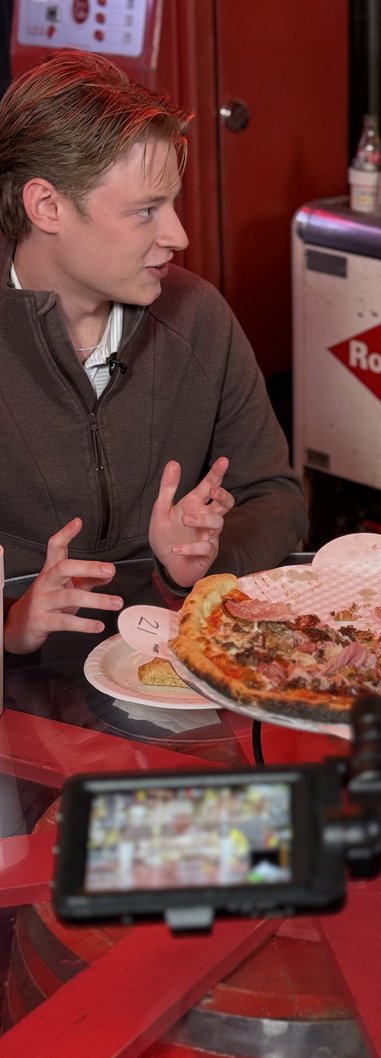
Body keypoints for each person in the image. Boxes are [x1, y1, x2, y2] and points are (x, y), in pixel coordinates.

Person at [0, 50, 307, 655]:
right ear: (47, 206)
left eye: (171, 204)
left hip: (172, 654)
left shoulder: (198, 314)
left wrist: (208, 556)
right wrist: (11, 624)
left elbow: (277, 495)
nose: (178, 236)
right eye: (145, 211)